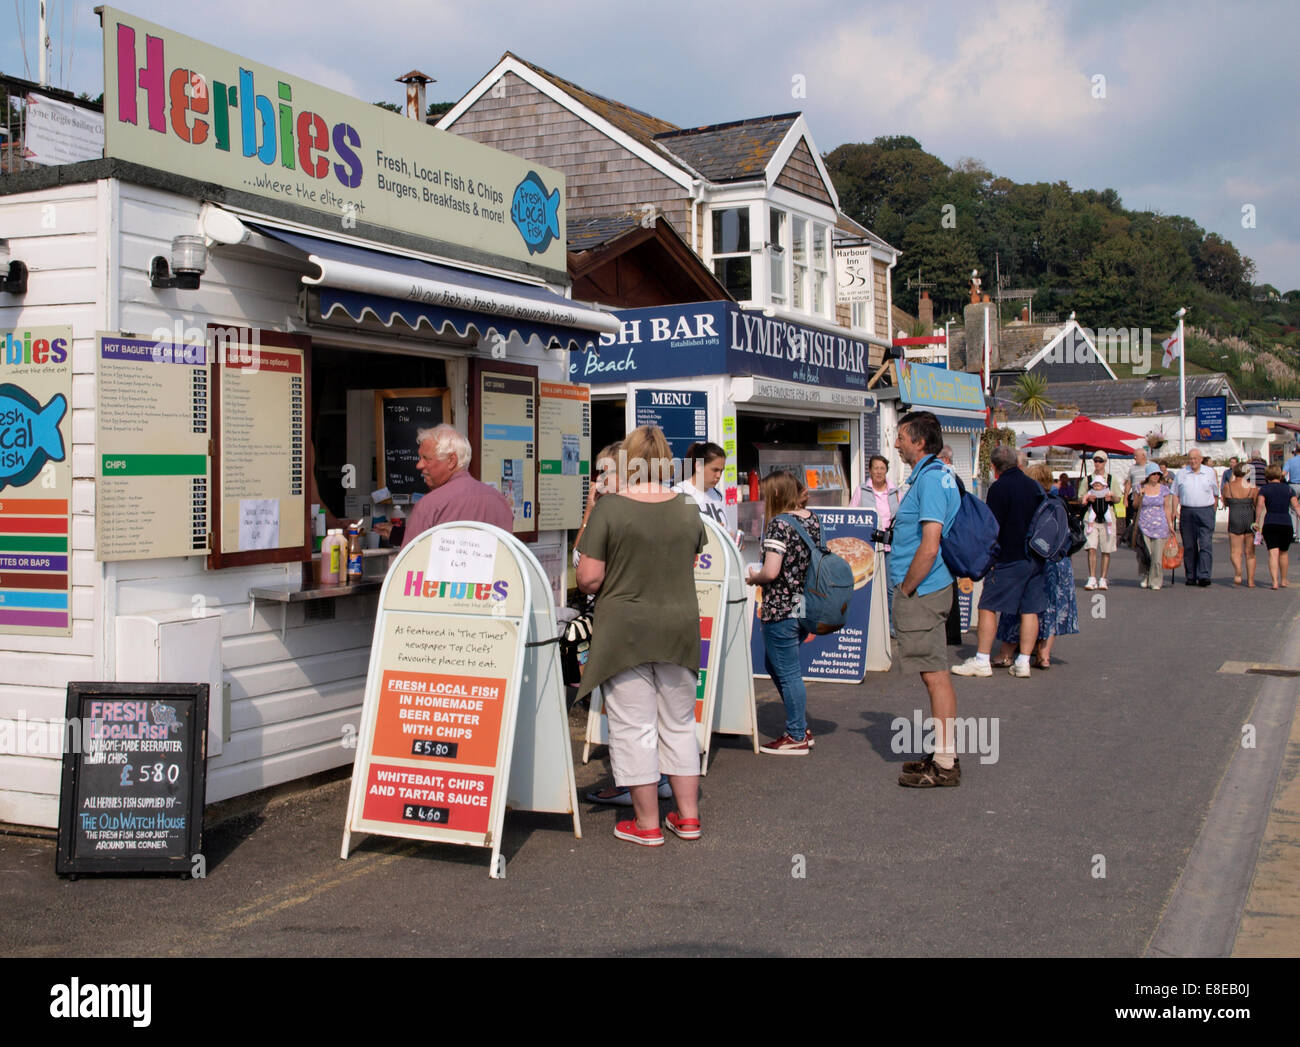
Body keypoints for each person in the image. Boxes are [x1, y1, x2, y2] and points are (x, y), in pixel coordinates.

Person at [576, 425, 706, 846]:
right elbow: (689, 557)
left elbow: (589, 578)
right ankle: (688, 818)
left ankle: (648, 823)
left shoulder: (610, 508)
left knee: (634, 727)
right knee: (680, 723)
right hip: (680, 625)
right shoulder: (687, 507)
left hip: (625, 630)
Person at [888, 411, 962, 786]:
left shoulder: (931, 480)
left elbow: (929, 546)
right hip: (932, 587)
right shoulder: (940, 473)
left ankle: (945, 763)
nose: (896, 443)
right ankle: (942, 752)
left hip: (924, 588)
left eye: (901, 437)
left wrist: (906, 587)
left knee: (935, 675)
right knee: (934, 673)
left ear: (918, 442)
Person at [952, 444, 1045, 680]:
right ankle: (1023, 661)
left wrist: (988, 557)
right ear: (1017, 462)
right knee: (1030, 609)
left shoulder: (999, 488)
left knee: (987, 606)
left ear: (994, 467)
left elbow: (991, 527)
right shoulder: (1033, 486)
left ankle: (982, 659)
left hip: (1008, 557)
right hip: (1036, 557)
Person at [746, 471, 819, 755]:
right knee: (776, 664)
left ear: (775, 494)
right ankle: (799, 724)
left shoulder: (779, 525)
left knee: (787, 672)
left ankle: (796, 734)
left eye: (765, 492)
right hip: (803, 604)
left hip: (781, 607)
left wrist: (754, 577)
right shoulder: (810, 519)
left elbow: (772, 571)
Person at [992, 464, 1078, 668]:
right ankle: (1043, 655)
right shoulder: (1059, 502)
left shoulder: (1033, 503)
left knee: (1021, 606)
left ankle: (1006, 653)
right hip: (1060, 560)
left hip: (1036, 559)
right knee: (1052, 608)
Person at [395, 425, 513, 546]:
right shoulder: (500, 502)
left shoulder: (429, 506)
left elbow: (411, 562)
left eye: (426, 458)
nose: (419, 465)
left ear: (451, 461)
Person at [1172, 447, 1220, 586]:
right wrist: (1175, 510)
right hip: (1187, 511)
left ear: (1201, 459)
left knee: (1205, 544)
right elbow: (1174, 493)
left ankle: (1204, 575)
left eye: (1195, 459)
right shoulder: (1181, 473)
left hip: (1205, 510)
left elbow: (1215, 493)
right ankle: (1191, 575)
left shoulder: (1209, 472)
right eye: (1191, 459)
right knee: (1189, 545)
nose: (1193, 461)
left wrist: (1213, 510)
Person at [1255, 465, 1300, 589]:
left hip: (1270, 523)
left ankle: (1274, 582)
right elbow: (1296, 506)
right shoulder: (1289, 489)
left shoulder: (1264, 489)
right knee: (1284, 553)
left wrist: (1257, 521)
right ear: (1280, 475)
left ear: (1267, 476)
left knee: (1273, 553)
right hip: (1286, 523)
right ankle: (1284, 580)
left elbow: (1260, 505)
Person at [1133, 462, 1177, 590]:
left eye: (1158, 474)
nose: (1156, 476)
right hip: (1143, 525)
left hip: (1160, 526)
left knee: (1157, 557)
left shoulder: (1164, 489)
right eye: (1154, 474)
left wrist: (1170, 525)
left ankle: (1156, 580)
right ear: (1148, 475)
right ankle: (1146, 575)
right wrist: (1140, 496)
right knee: (1145, 555)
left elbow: (1167, 508)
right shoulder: (1140, 487)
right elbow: (1135, 505)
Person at [1081, 452, 1121, 590]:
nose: (1097, 463)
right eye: (1096, 460)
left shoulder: (1111, 479)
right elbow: (1081, 498)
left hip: (1106, 517)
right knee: (1091, 547)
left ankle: (1103, 578)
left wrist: (1112, 498)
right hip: (1091, 517)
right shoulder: (1087, 480)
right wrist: (1087, 499)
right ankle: (1092, 577)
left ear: (1105, 462)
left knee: (1106, 549)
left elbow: (1118, 498)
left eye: (1100, 461)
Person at [673, 441, 728, 529]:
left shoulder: (718, 495)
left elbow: (727, 529)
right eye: (715, 470)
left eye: (721, 471)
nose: (718, 475)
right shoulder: (679, 493)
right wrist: (710, 531)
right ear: (698, 466)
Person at [1222, 463, 1258, 586]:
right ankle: (1251, 581)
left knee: (1235, 551)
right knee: (1250, 553)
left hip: (1234, 516)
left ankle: (1238, 570)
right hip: (1249, 516)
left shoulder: (1228, 486)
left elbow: (1226, 502)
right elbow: (1256, 503)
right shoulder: (1252, 487)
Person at [1122, 447, 1149, 544]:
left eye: (1136, 455)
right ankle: (1136, 540)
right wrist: (1125, 498)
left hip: (1147, 499)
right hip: (1135, 499)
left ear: (1143, 456)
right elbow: (1129, 483)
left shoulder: (1150, 467)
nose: (1134, 457)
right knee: (1136, 519)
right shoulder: (1132, 468)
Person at [1284, 444, 1300, 541]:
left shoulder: (1290, 461)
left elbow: (1283, 473)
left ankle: (1294, 532)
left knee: (1293, 510)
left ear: (1295, 452)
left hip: (1293, 485)